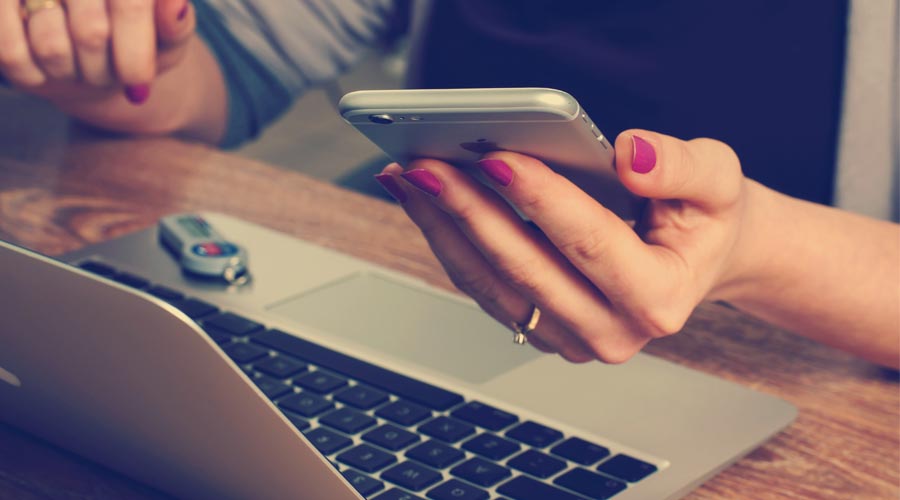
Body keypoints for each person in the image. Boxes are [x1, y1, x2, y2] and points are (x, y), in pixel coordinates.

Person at [1, 0, 896, 368]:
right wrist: (115, 55)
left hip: (809, 380)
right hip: (434, 318)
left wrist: (754, 249)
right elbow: (224, 73)